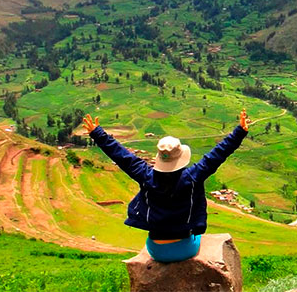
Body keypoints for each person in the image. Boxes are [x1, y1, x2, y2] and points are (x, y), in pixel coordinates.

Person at [82, 109, 250, 263]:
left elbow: (122, 156)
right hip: (185, 249)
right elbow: (218, 154)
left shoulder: (146, 176)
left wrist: (97, 133)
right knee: (198, 237)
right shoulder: (193, 177)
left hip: (156, 249)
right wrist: (239, 131)